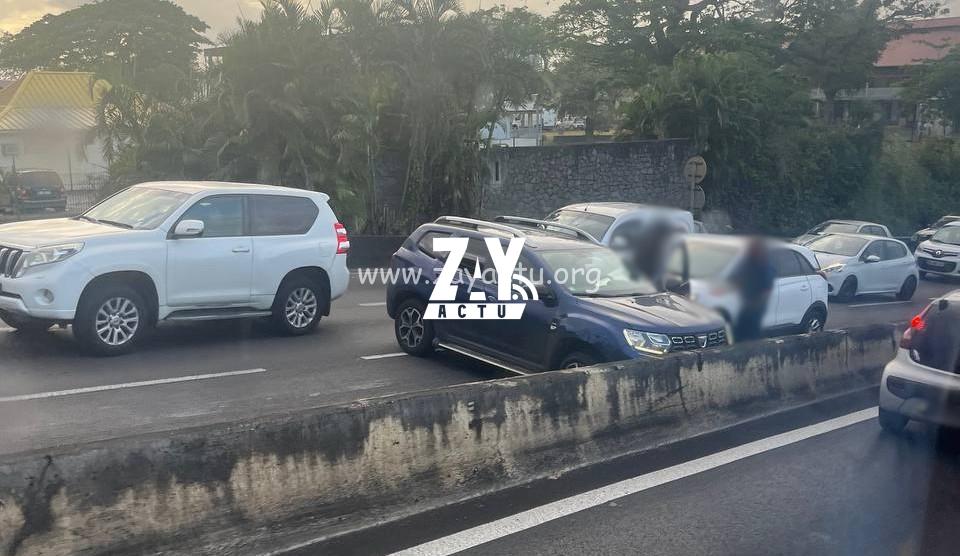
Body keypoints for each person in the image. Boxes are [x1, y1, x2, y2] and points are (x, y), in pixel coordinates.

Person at [732, 239, 775, 341]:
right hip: (746, 303)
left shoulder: (765, 268)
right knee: (740, 331)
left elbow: (766, 290)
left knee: (750, 333)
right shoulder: (748, 264)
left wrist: (755, 304)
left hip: (755, 306)